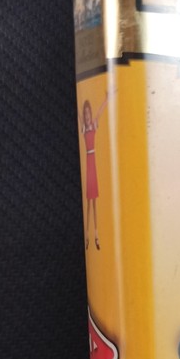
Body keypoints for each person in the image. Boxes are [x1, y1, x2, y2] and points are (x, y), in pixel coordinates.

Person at [79, 93, 109, 250]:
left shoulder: (93, 125)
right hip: (88, 164)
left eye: (88, 113)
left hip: (93, 163)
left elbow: (100, 112)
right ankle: (87, 236)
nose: (87, 116)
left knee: (94, 201)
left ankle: (96, 234)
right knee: (88, 203)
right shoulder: (84, 128)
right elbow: (79, 117)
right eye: (85, 114)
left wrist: (107, 99)